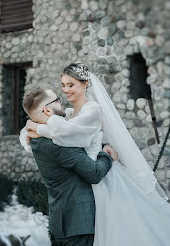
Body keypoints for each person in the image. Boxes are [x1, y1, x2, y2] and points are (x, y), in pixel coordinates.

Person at [20, 62, 170, 246]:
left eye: (70, 84)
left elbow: (66, 133)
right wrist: (34, 125)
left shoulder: (91, 110)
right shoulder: (69, 115)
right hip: (92, 180)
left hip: (103, 177)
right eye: (63, 86)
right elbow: (69, 133)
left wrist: (36, 126)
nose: (65, 91)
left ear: (85, 84)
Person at [21, 88, 119, 246]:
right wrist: (107, 156)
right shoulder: (57, 143)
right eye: (57, 101)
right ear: (46, 109)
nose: (61, 103)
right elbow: (94, 173)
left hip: (62, 222)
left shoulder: (37, 137)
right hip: (76, 225)